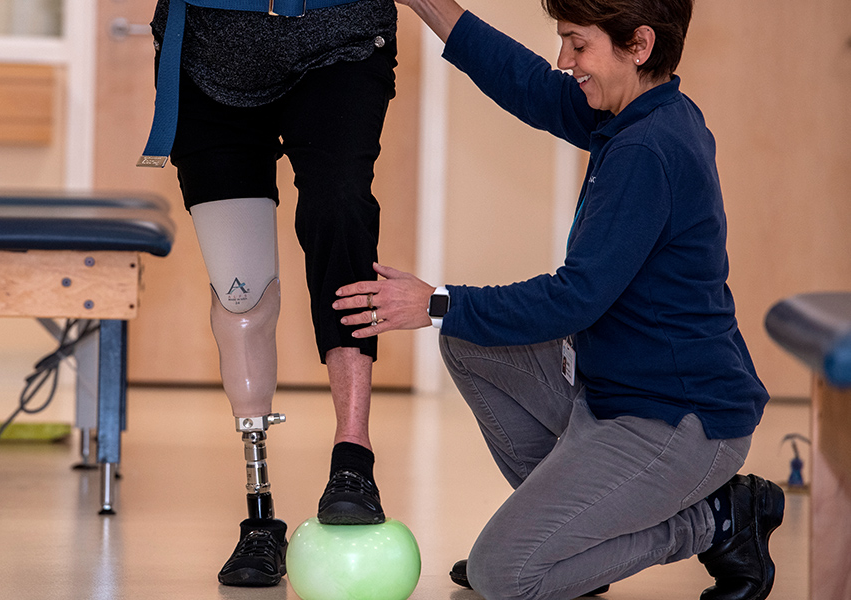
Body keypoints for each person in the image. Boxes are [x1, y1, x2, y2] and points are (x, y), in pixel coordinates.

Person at [333, 0, 783, 598]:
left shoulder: (648, 149)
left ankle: (716, 519)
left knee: (504, 576)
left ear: (639, 45)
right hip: (615, 390)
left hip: (679, 420)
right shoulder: (635, 113)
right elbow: (526, 83)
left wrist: (435, 302)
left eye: (578, 44)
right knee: (470, 341)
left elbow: (575, 299)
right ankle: (566, 547)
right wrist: (430, 6)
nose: (564, 60)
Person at [145, 0, 398, 588]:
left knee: (339, 208)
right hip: (210, 50)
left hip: (340, 35)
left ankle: (352, 460)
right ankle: (260, 515)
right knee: (240, 291)